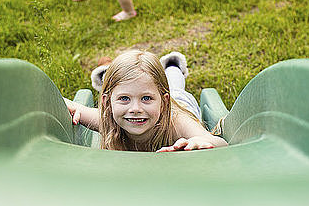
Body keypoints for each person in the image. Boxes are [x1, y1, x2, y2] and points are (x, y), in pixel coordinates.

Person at [64, 50, 228, 152]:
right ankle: (107, 72)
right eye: (124, 99)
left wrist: (199, 141)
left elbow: (221, 144)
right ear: (106, 103)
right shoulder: (108, 120)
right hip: (149, 99)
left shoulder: (177, 124)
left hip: (181, 102)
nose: (135, 108)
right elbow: (69, 104)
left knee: (176, 87)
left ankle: (173, 65)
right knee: (132, 84)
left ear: (164, 102)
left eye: (146, 98)